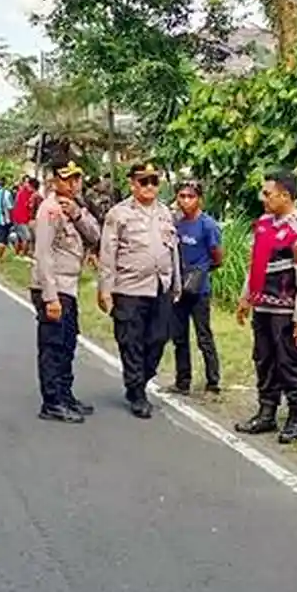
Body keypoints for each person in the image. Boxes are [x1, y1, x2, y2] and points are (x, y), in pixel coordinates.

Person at [234, 169, 297, 444]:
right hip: (263, 307)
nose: (264, 198)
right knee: (264, 360)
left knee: (290, 363)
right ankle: (266, 411)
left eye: (268, 193)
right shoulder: (264, 224)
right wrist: (246, 296)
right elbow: (255, 264)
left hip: (286, 311)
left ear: (285, 195)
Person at [98, 163, 181, 419]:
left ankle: (140, 379)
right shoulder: (118, 214)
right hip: (129, 288)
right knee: (131, 341)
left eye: (153, 181)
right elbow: (107, 253)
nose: (149, 187)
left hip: (160, 287)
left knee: (158, 339)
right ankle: (136, 391)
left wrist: (176, 283)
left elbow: (173, 250)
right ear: (132, 184)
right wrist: (105, 289)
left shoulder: (166, 213)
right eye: (143, 181)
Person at [30, 159, 100, 423]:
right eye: (67, 179)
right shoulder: (49, 210)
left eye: (76, 179)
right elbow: (44, 254)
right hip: (54, 287)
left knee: (68, 343)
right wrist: (50, 297)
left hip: (69, 287)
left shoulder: (74, 208)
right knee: (53, 346)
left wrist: (78, 214)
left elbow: (95, 235)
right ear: (54, 182)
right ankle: (52, 402)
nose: (73, 184)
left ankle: (65, 394)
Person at [170, 180, 223, 395]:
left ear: (199, 199)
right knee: (179, 336)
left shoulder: (207, 225)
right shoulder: (177, 223)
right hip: (179, 286)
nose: (185, 201)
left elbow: (218, 256)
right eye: (181, 196)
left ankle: (213, 380)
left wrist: (202, 271)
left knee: (204, 335)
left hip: (199, 290)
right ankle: (183, 380)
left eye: (190, 196)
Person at [11, 176, 35, 257]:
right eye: (26, 182)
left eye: (28, 183)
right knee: (27, 238)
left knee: (20, 238)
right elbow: (25, 205)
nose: (27, 184)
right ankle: (22, 255)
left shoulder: (29, 193)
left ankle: (17, 254)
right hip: (20, 219)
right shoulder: (22, 193)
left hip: (23, 219)